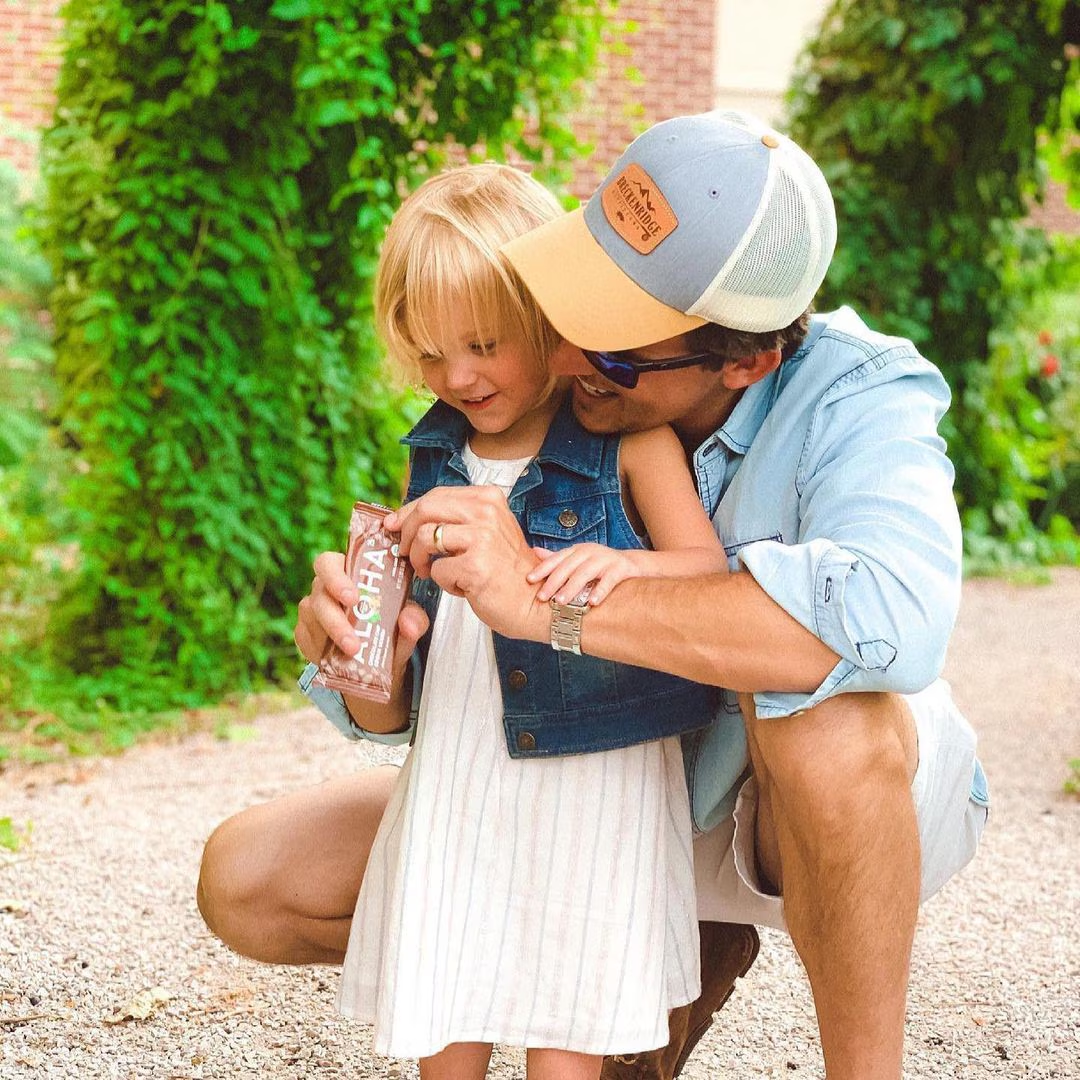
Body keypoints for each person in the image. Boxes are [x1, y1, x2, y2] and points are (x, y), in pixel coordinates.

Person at [199, 111, 988, 1080]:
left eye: (613, 352)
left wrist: (547, 606)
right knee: (248, 881)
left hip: (798, 811)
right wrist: (365, 646)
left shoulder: (859, 395)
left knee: (823, 720)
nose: (567, 361)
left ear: (744, 362)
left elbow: (892, 621)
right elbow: (431, 700)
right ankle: (681, 947)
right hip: (595, 798)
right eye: (573, 306)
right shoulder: (501, 419)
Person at [294, 161, 733, 1080]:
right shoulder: (434, 454)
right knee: (446, 989)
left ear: (547, 322)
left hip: (593, 778)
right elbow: (401, 678)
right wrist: (373, 651)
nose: (456, 375)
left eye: (485, 344)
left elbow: (704, 571)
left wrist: (624, 562)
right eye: (429, 351)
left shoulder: (631, 440)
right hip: (461, 760)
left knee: (564, 1005)